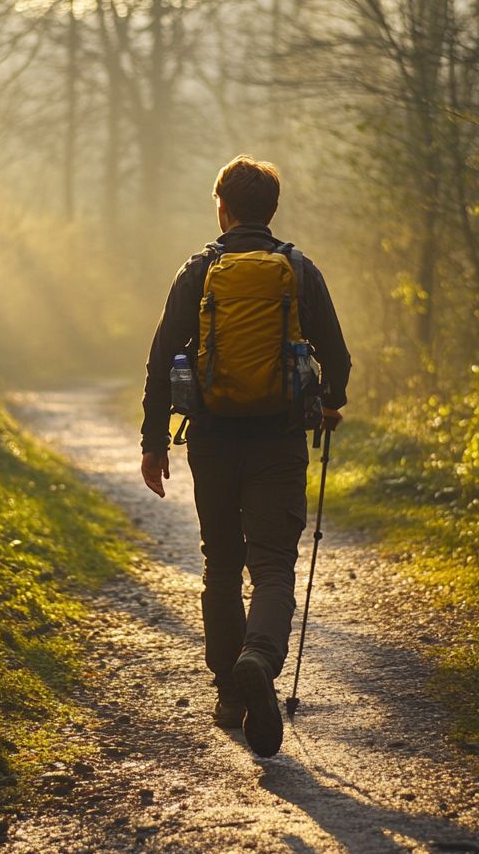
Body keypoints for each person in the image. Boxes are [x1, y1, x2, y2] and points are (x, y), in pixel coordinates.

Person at [139, 155, 352, 757]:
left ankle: (231, 693)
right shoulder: (298, 270)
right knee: (275, 563)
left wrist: (154, 443)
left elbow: (160, 361)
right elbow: (337, 360)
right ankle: (259, 656)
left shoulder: (199, 270)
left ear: (222, 209)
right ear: (273, 210)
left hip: (212, 440)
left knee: (222, 564)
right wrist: (327, 403)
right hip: (279, 441)